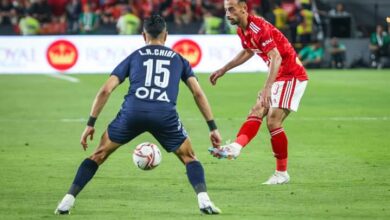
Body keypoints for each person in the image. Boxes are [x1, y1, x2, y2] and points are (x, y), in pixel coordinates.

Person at [55, 15, 222, 215]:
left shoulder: (134, 57)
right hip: (164, 115)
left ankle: (67, 200)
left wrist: (91, 123)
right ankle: (204, 200)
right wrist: (212, 127)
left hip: (132, 113)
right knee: (189, 157)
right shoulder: (179, 59)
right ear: (166, 35)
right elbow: (197, 93)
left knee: (98, 155)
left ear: (143, 35)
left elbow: (105, 90)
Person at [209, 0, 308, 185]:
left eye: (231, 9)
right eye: (225, 10)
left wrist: (267, 87)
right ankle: (236, 147)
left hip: (291, 74)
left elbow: (276, 57)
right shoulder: (242, 30)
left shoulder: (258, 28)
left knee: (273, 121)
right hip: (279, 75)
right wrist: (224, 69)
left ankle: (281, 173)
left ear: (243, 9)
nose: (227, 14)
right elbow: (248, 51)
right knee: (256, 110)